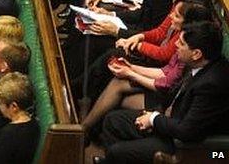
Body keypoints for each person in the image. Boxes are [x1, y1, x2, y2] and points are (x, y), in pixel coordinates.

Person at [97, 21, 229, 163]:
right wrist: (154, 115)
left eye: (181, 43)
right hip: (169, 121)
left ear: (196, 54)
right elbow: (172, 94)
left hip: (181, 144)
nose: (176, 44)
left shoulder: (212, 84)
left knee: (117, 151)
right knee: (113, 121)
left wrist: (154, 119)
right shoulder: (195, 63)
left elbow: (187, 131)